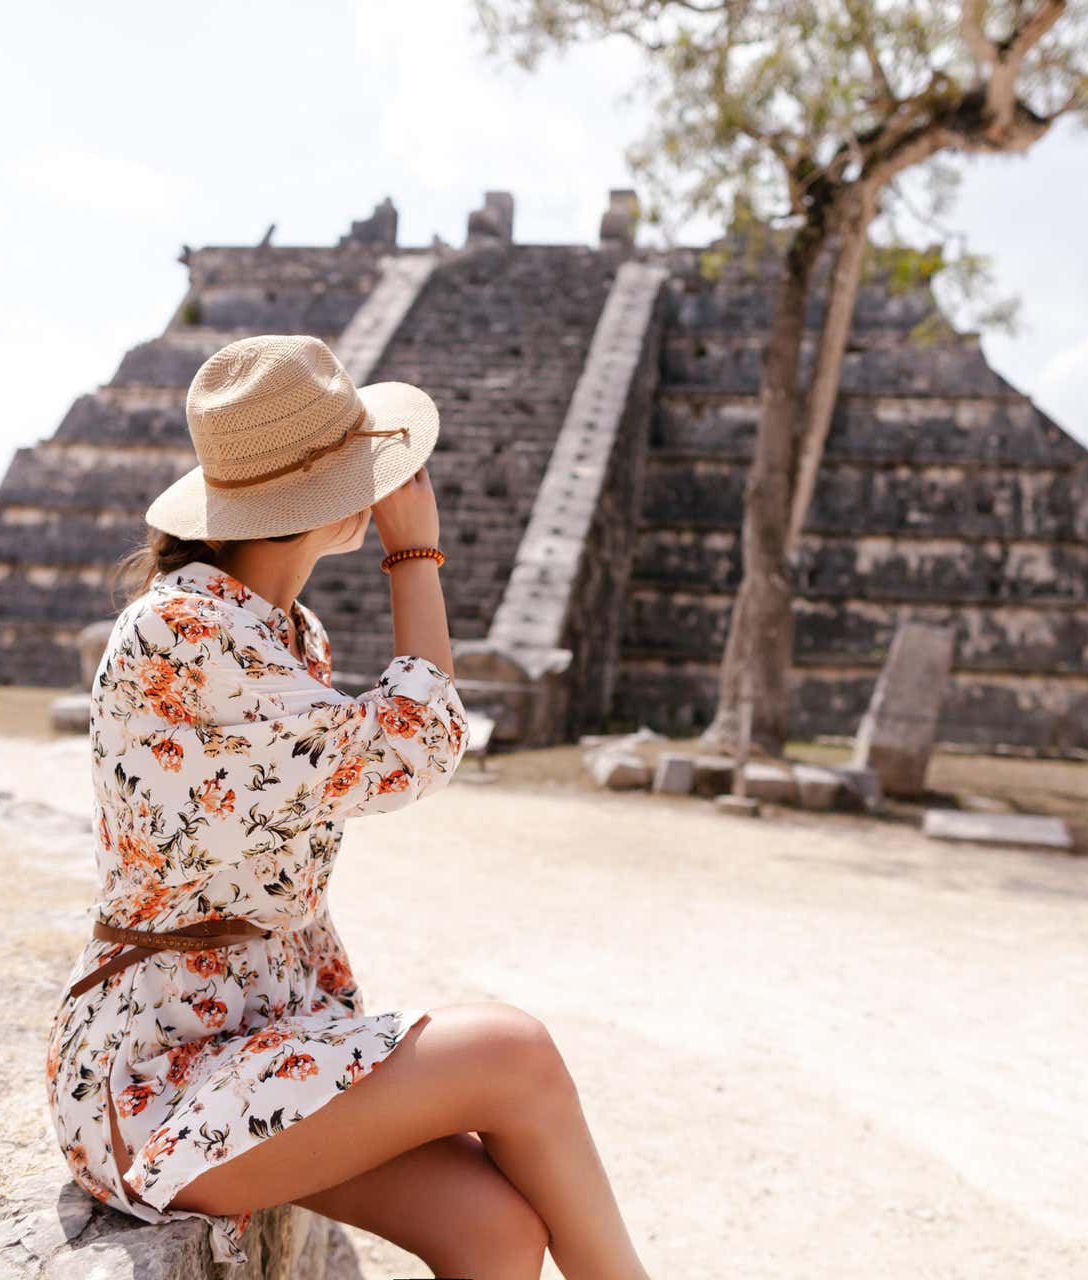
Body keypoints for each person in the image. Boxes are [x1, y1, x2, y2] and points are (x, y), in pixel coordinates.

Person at [44, 334, 651, 1280]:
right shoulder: (181, 629)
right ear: (323, 496)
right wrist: (415, 552)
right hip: (158, 1078)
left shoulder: (285, 632)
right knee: (512, 1049)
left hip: (263, 1037)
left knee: (494, 1232)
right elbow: (411, 749)